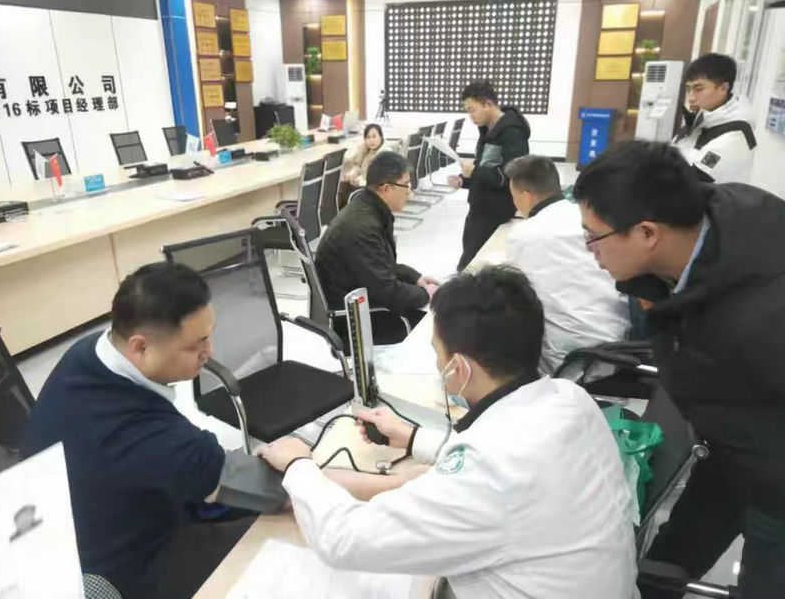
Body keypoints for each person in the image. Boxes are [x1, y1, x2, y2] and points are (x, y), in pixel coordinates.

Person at [258, 266, 639, 599]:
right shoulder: (571, 398)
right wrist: (412, 438)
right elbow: (510, 462)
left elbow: (345, 540)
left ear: (460, 367)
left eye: (437, 351)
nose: (437, 362)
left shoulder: (489, 473)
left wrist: (298, 465)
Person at [573, 140, 785, 598]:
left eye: (593, 236)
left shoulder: (756, 320)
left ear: (648, 233)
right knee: (666, 561)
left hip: (773, 473)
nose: (591, 251)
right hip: (731, 442)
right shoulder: (721, 213)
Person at [22, 262, 285, 599]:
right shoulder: (159, 442)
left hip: (62, 530)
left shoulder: (88, 350)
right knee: (280, 548)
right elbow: (285, 489)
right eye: (197, 344)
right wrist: (299, 462)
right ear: (140, 347)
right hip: (126, 569)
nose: (210, 353)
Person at [504, 155, 629, 374]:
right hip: (619, 342)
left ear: (526, 195)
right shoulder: (591, 219)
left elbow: (515, 293)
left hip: (566, 357)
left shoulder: (523, 235)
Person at [316, 151, 439, 345]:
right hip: (356, 319)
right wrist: (428, 294)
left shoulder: (367, 209)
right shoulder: (361, 227)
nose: (409, 191)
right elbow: (387, 291)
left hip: (363, 299)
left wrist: (415, 278)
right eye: (406, 184)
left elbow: (380, 265)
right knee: (439, 325)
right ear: (387, 188)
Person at [446, 80, 530, 271]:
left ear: (488, 104)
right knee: (470, 257)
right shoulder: (487, 130)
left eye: (473, 110)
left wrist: (475, 172)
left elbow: (511, 175)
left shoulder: (513, 133)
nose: (471, 116)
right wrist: (463, 179)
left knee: (475, 263)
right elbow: (485, 165)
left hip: (497, 209)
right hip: (479, 205)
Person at [672, 53, 756, 183]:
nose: (691, 98)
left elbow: (698, 177)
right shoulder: (703, 118)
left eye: (699, 89)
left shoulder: (736, 135)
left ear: (723, 88)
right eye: (688, 89)